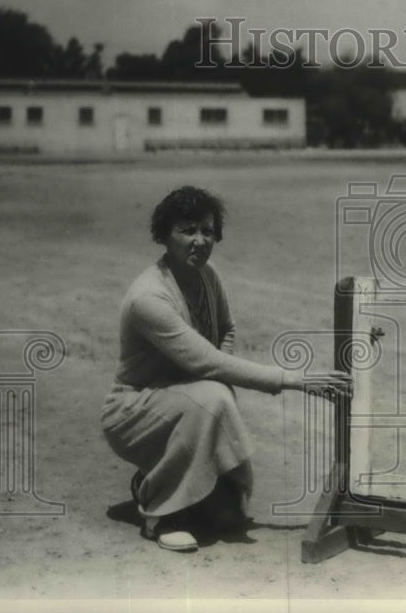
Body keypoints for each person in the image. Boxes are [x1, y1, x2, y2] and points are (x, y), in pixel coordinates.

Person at [100, 186, 351, 552]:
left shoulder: (207, 274)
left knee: (230, 517)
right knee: (212, 397)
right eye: (187, 230)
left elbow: (227, 329)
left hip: (186, 401)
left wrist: (212, 385)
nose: (200, 240)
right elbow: (209, 362)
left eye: (207, 230)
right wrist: (297, 380)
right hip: (133, 411)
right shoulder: (148, 298)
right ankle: (162, 515)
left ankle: (149, 479)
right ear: (164, 236)